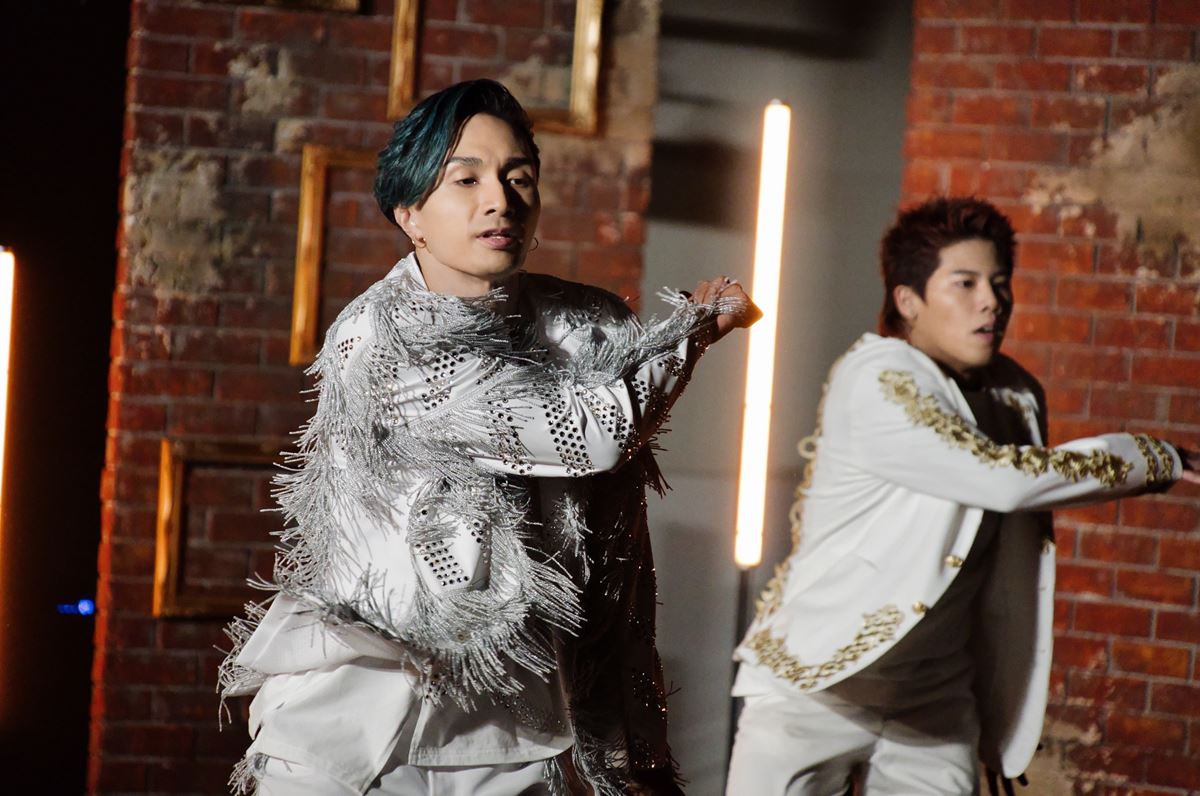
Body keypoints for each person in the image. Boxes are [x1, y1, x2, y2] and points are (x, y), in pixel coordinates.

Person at [217, 79, 757, 796]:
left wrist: (633, 753)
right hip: (357, 727)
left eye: (518, 176)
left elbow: (615, 560)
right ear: (410, 214)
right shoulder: (381, 337)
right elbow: (593, 434)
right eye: (465, 180)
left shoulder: (589, 325)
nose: (499, 200)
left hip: (512, 735)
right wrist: (690, 333)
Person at [727, 196, 1198, 795]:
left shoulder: (1015, 392)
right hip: (815, 687)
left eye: (999, 283)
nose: (991, 301)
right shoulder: (878, 377)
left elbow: (1002, 565)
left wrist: (994, 714)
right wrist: (1152, 457)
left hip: (935, 700)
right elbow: (1003, 479)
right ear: (908, 300)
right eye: (965, 283)